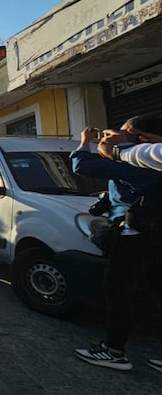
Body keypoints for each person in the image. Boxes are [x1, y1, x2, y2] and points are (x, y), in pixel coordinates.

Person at [71, 116, 162, 372]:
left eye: (125, 132)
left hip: (135, 236)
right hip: (153, 235)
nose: (114, 135)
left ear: (142, 139)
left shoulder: (141, 162)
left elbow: (82, 166)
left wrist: (85, 143)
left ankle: (113, 351)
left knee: (118, 289)